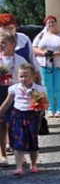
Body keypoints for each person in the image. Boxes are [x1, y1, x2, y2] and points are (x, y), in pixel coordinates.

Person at [0, 63, 48, 175]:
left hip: (32, 116)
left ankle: (34, 164)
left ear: (32, 77)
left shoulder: (38, 89)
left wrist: (39, 107)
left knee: (32, 141)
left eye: (26, 76)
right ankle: (19, 167)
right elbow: (7, 104)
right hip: (17, 116)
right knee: (18, 141)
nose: (23, 79)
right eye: (21, 76)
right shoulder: (14, 89)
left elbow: (45, 103)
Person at [0, 30, 31, 166]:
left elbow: (28, 79)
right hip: (0, 92)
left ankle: (20, 153)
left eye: (3, 43)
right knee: (1, 125)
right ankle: (2, 155)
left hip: (15, 94)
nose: (1, 45)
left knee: (17, 125)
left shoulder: (20, 60)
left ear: (13, 44)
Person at [33, 15, 60, 117]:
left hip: (59, 65)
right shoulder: (41, 36)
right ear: (46, 25)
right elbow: (34, 48)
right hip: (44, 64)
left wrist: (59, 53)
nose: (51, 24)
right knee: (47, 88)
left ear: (56, 23)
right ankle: (50, 109)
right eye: (48, 22)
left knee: (59, 88)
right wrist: (43, 52)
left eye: (52, 22)